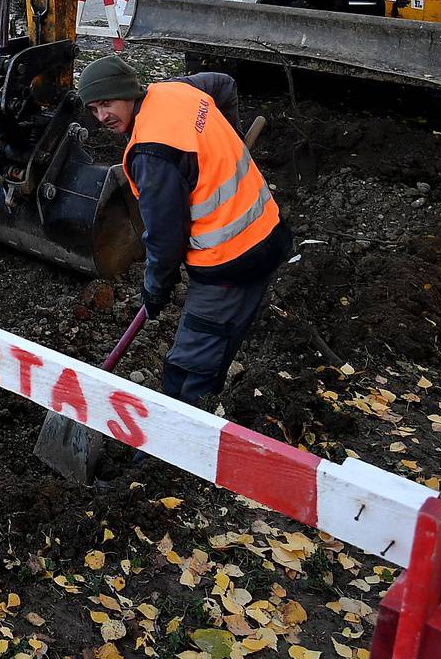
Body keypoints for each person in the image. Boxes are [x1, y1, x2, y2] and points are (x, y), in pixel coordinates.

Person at [77, 55, 291, 408]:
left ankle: (172, 445)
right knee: (222, 338)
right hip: (269, 229)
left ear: (128, 93)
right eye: (94, 109)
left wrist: (156, 288)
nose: (102, 117)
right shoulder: (177, 90)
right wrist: (232, 137)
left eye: (107, 104)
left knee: (190, 366)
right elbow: (224, 84)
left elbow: (165, 237)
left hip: (232, 260)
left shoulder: (152, 153)